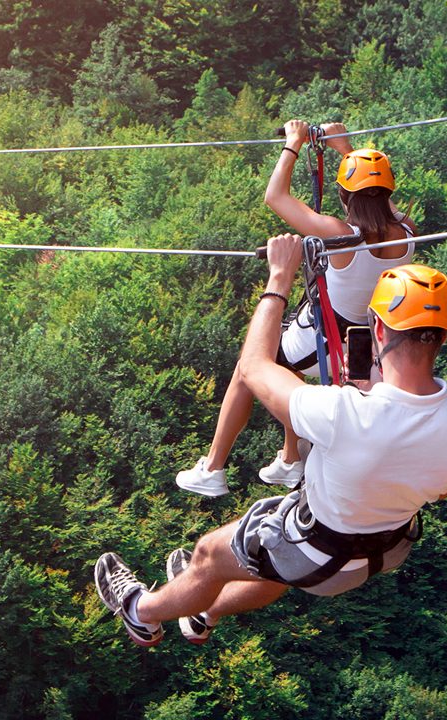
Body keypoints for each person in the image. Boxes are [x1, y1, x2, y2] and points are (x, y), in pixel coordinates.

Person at [96, 237, 447, 646]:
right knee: (274, 564)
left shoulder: (343, 412)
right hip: (383, 552)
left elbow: (253, 367)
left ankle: (140, 613)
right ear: (443, 336)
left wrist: (279, 278)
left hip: (316, 551)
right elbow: (446, 488)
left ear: (376, 327)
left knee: (208, 556)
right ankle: (204, 614)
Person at [176, 120, 419, 497]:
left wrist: (293, 143)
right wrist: (345, 149)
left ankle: (212, 467)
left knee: (249, 367)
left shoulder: (339, 235)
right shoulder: (407, 231)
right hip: (364, 344)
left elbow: (275, 196)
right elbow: (379, 201)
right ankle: (291, 458)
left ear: (344, 194)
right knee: (289, 369)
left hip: (325, 338)